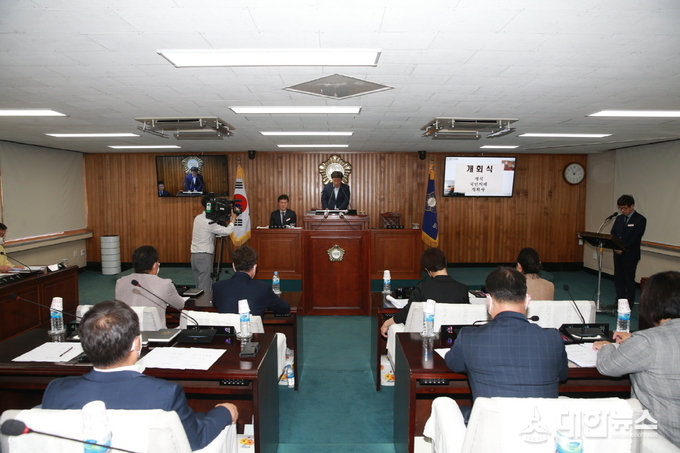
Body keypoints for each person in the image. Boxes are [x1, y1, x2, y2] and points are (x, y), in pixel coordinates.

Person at [42, 300, 237, 451]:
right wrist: (224, 411)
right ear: (137, 343)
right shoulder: (165, 393)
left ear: (84, 344)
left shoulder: (56, 390)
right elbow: (196, 439)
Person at [445, 267, 568, 419]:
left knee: (450, 408)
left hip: (491, 429)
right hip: (540, 428)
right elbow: (562, 375)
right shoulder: (553, 338)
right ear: (527, 300)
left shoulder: (469, 338)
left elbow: (453, 363)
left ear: (489, 301)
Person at [594, 270, 680, 448]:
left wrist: (607, 346)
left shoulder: (648, 341)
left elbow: (607, 366)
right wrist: (634, 339)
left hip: (662, 439)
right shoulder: (646, 340)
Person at [380, 248, 468, 337]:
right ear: (445, 263)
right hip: (452, 337)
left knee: (393, 326)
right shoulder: (462, 289)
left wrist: (386, 323)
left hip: (423, 338)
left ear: (427, 269)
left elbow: (406, 313)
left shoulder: (422, 288)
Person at [115, 245, 184, 329]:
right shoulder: (164, 284)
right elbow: (180, 305)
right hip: (156, 334)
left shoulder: (120, 282)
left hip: (126, 332)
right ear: (155, 265)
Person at [212, 246, 290, 317]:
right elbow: (285, 308)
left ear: (233, 266)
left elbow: (217, 305)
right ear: (255, 267)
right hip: (252, 328)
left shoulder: (218, 286)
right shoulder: (262, 288)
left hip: (228, 328)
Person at [191, 193, 237, 296]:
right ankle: (204, 304)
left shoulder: (198, 218)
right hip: (204, 257)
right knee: (205, 288)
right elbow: (227, 231)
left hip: (194, 256)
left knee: (199, 286)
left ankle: (198, 304)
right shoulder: (209, 222)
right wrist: (233, 219)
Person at [610, 194, 646, 307]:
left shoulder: (640, 219)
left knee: (629, 279)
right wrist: (615, 246)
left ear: (632, 206)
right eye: (620, 208)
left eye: (625, 208)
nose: (622, 210)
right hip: (617, 253)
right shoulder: (619, 218)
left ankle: (629, 303)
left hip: (630, 254)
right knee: (618, 278)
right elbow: (613, 233)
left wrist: (623, 248)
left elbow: (636, 237)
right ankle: (619, 300)